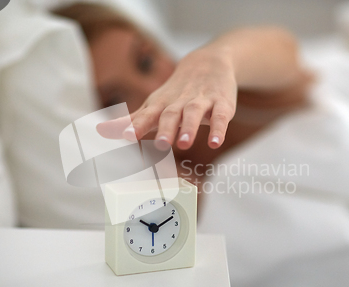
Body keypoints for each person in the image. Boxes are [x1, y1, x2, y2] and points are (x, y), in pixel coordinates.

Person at [53, 3, 313, 180]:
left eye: (146, 62)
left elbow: (285, 54)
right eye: (115, 99)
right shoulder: (151, 180)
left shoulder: (240, 90)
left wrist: (217, 60)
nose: (153, 89)